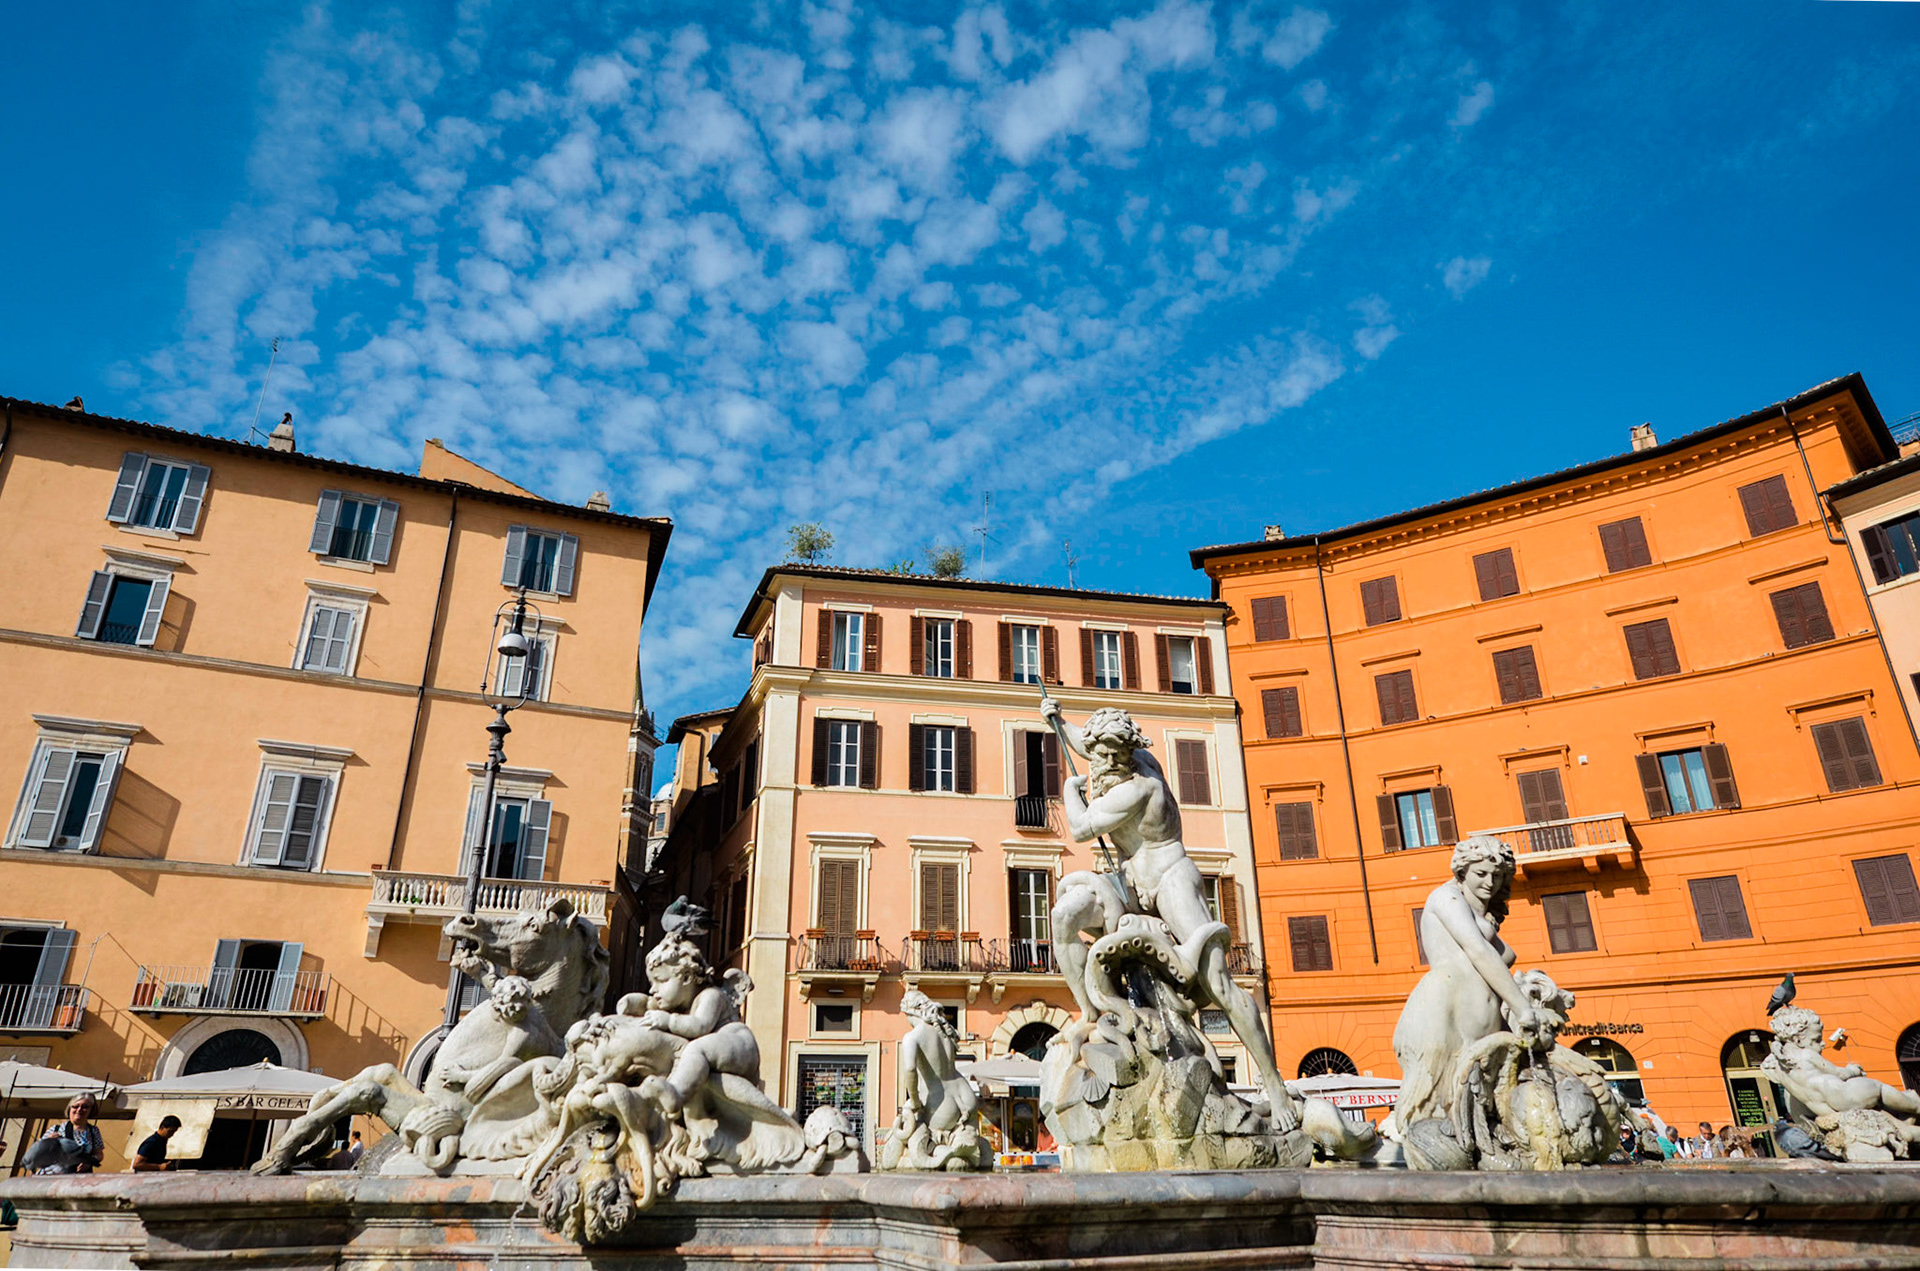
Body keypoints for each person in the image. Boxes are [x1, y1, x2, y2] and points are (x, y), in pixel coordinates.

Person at [1044, 701, 1300, 1129]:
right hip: (1128, 881)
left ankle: (1273, 1085)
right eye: (1099, 754)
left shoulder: (1139, 785)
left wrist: (1071, 791)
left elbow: (1082, 828)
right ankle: (1090, 1013)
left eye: (1109, 756)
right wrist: (1058, 721)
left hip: (1169, 880)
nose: (1100, 762)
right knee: (1065, 915)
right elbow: (1089, 747)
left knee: (1217, 981)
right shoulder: (1114, 760)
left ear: (1127, 755)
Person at [1392, 836, 1549, 1129]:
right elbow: (1478, 950)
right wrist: (1522, 1007)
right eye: (1480, 874)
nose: (1489, 882)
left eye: (1497, 875)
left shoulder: (1478, 911)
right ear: (1462, 871)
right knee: (1436, 1115)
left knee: (1487, 1116)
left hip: (1482, 1026)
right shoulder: (1445, 898)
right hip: (1445, 1017)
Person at [29, 1095, 105, 1174]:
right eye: (75, 1106)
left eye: (85, 1107)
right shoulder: (56, 1129)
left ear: (91, 1110)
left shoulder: (93, 1131)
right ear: (70, 1109)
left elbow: (99, 1154)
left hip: (77, 1179)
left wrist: (90, 1162)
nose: (79, 1109)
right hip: (50, 1178)